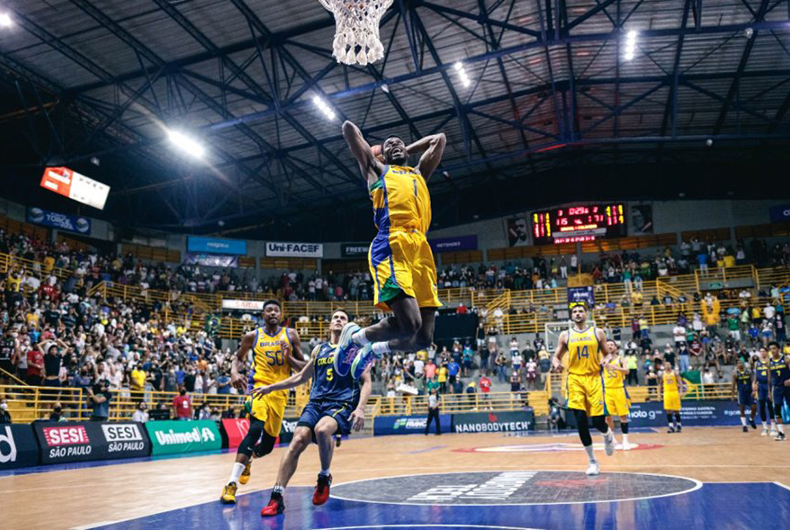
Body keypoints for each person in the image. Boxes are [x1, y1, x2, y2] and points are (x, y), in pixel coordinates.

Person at [335, 121, 446, 380]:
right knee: (410, 324)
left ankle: (374, 349)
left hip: (421, 249)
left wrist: (401, 147)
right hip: (391, 244)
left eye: (399, 142)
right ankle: (354, 340)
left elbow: (438, 139)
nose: (394, 144)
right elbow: (349, 128)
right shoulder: (376, 169)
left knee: (423, 339)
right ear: (381, 154)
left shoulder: (419, 173)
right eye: (389, 144)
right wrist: (376, 153)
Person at [254, 310, 372, 516]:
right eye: (335, 317)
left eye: (343, 318)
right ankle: (277, 497)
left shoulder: (356, 351)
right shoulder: (319, 349)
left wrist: (361, 408)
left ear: (348, 327)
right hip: (316, 403)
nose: (338, 320)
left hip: (341, 403)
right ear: (329, 325)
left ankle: (324, 476)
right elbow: (301, 377)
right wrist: (272, 387)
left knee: (322, 430)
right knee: (298, 440)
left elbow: (367, 382)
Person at [220, 300, 304, 504]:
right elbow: (238, 357)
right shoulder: (252, 336)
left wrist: (289, 357)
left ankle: (249, 458)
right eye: (269, 310)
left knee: (266, 447)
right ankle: (231, 484)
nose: (273, 313)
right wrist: (233, 372)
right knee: (255, 429)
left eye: (276, 310)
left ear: (281, 314)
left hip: (280, 393)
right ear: (263, 315)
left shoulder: (291, 335)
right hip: (258, 388)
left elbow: (303, 367)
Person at [552, 303, 615, 475]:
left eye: (581, 311)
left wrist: (607, 359)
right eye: (575, 311)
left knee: (597, 422)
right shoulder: (566, 335)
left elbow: (607, 353)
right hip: (575, 379)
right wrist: (556, 364)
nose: (578, 313)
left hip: (594, 378)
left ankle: (608, 434)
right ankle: (593, 461)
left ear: (586, 314)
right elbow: (556, 357)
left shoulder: (597, 332)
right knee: (580, 421)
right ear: (571, 315)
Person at [603, 340, 634, 450]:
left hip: (619, 389)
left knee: (623, 416)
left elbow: (627, 371)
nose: (610, 346)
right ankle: (612, 438)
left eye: (612, 345)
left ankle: (625, 441)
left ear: (616, 347)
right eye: (607, 345)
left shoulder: (621, 359)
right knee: (607, 417)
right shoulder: (603, 359)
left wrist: (616, 368)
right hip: (607, 390)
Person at [767, 341, 790, 441]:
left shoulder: (785, 359)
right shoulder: (769, 362)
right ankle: (781, 432)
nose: (773, 351)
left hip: (788, 387)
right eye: (771, 349)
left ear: (778, 349)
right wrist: (769, 391)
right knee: (777, 408)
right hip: (777, 388)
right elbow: (769, 378)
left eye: (774, 348)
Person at [753, 347, 777, 436]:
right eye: (761, 351)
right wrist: (754, 383)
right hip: (760, 387)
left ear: (767, 352)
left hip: (768, 385)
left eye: (764, 351)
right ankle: (764, 427)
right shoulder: (757, 363)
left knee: (770, 405)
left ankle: (773, 427)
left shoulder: (770, 361)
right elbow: (756, 375)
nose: (762, 353)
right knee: (761, 406)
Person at [731, 359, 757, 432]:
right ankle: (744, 425)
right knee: (742, 408)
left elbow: (753, 381)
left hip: (749, 392)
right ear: (737, 365)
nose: (740, 364)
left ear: (743, 364)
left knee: (754, 407)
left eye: (741, 363)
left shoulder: (748, 372)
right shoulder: (735, 374)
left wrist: (754, 390)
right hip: (741, 392)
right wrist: (732, 395)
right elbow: (733, 385)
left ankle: (751, 419)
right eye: (738, 363)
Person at [662, 361, 684, 433]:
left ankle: (679, 425)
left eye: (669, 364)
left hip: (674, 392)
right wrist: (660, 393)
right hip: (667, 392)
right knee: (668, 410)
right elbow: (660, 384)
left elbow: (680, 383)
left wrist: (680, 392)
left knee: (676, 410)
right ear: (664, 366)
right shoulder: (663, 373)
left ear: (671, 365)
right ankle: (671, 426)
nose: (667, 365)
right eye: (666, 364)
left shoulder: (675, 373)